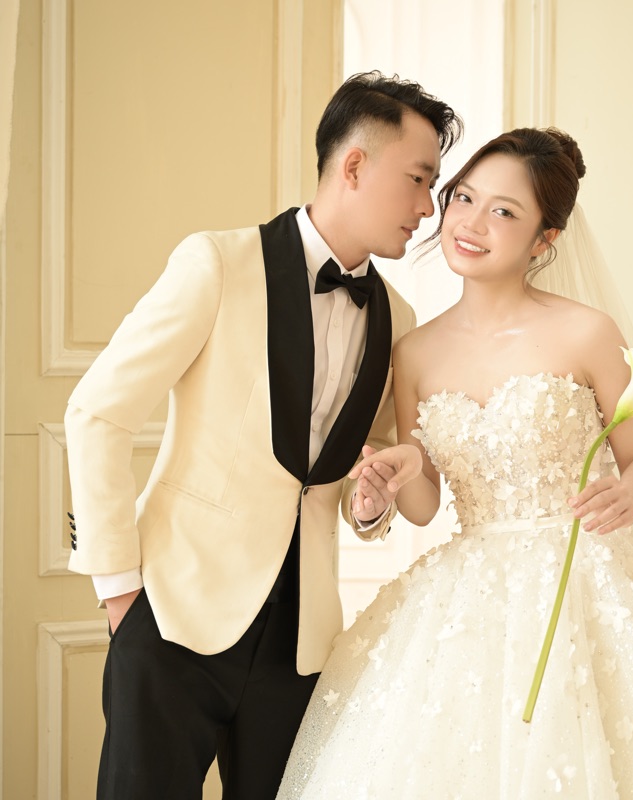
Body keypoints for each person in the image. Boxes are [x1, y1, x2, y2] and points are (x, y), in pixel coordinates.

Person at [277, 128, 633, 798]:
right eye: (463, 197)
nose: (470, 222)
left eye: (503, 211)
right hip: (465, 604)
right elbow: (425, 503)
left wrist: (631, 495)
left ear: (544, 239)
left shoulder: (587, 332)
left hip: (587, 586)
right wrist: (389, 482)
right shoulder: (414, 351)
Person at [64, 70, 462, 799]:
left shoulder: (396, 318)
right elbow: (97, 412)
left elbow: (366, 477)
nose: (425, 208)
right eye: (417, 179)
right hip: (175, 617)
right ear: (353, 166)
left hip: (301, 645)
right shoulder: (216, 263)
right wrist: (120, 592)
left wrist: (370, 505)